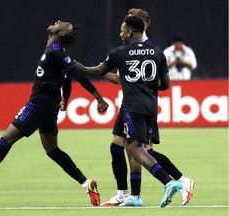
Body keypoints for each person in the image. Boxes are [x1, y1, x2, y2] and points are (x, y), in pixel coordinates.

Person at [0, 20, 111, 206]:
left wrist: (98, 98)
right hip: (48, 106)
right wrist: (65, 99)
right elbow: (66, 78)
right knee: (52, 150)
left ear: (60, 33)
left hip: (38, 105)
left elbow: (78, 75)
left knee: (6, 140)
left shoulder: (55, 51)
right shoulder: (56, 52)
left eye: (61, 24)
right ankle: (86, 184)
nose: (57, 22)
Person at [77, 15, 182, 208]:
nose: (120, 33)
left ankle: (169, 182)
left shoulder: (120, 52)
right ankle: (131, 196)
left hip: (132, 107)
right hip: (151, 107)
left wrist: (79, 67)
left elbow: (99, 71)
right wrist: (145, 85)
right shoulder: (158, 52)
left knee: (135, 149)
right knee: (120, 145)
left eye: (122, 30)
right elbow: (166, 85)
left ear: (129, 32)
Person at [100, 8, 195, 207]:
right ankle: (127, 195)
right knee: (119, 145)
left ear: (139, 25)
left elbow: (159, 82)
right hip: (129, 103)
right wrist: (122, 80)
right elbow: (115, 74)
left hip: (142, 105)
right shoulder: (129, 48)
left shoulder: (150, 49)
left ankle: (180, 180)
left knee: (142, 150)